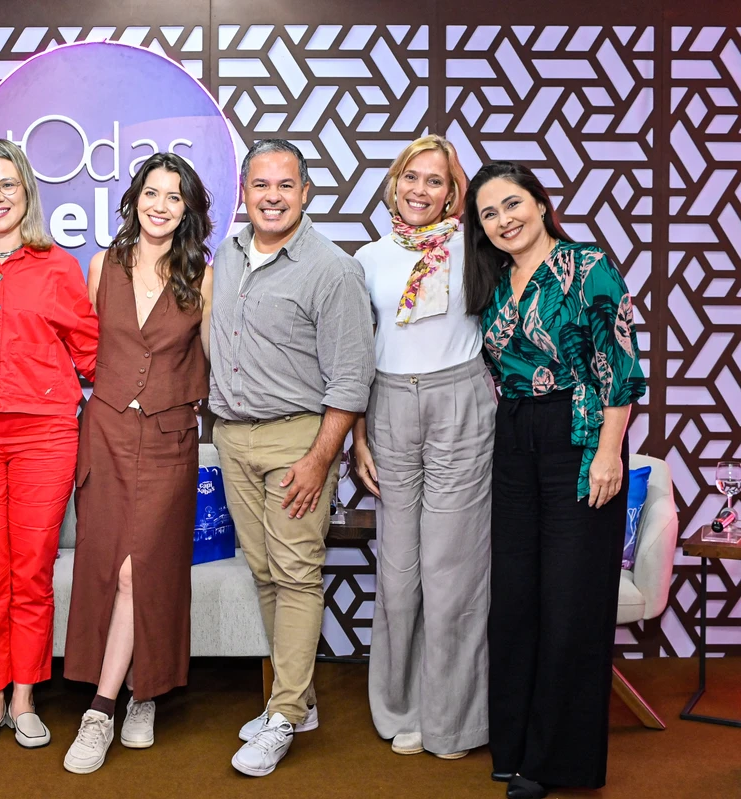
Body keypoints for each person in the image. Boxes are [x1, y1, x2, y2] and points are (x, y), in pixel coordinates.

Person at [465, 161, 646, 799]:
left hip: (580, 435)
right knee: (515, 598)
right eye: (489, 213)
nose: (503, 220)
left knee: (571, 602)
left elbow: (620, 366)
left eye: (513, 204)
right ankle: (514, 744)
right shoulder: (492, 280)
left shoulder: (586, 265)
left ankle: (554, 762)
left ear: (541, 204)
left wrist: (608, 452)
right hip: (514, 438)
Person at [209, 139, 375, 777]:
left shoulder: (333, 270)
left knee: (298, 573)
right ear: (244, 193)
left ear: (306, 193)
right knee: (265, 573)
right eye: (260, 185)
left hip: (298, 440)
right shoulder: (227, 253)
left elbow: (351, 378)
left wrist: (319, 457)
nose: (272, 197)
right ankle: (297, 701)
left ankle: (281, 716)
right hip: (233, 437)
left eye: (285, 185)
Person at [0, 138, 97, 749]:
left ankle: (25, 697)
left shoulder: (59, 266)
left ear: (26, 191)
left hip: (44, 435)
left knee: (31, 569)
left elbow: (91, 351)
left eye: (7, 184)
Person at [61, 153, 212, 774]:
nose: (160, 205)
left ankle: (105, 709)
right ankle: (137, 691)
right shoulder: (103, 265)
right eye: (152, 192)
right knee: (108, 568)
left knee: (141, 570)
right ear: (135, 199)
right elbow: (81, 350)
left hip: (170, 440)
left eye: (174, 197)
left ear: (187, 210)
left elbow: (216, 356)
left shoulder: (202, 275)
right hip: (106, 437)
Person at [351, 135, 492, 760]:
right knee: (399, 570)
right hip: (388, 405)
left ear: (453, 190)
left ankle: (452, 721)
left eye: (436, 180)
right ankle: (400, 708)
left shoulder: (477, 246)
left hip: (459, 401)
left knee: (452, 569)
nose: (420, 190)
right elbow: (356, 353)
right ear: (394, 182)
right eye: (412, 176)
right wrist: (357, 433)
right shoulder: (369, 257)